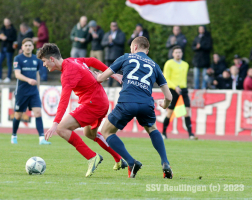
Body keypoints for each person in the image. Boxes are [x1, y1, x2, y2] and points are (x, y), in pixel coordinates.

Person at [37, 43, 127, 177]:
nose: (44, 65)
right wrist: (113, 74)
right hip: (100, 100)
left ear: (52, 59)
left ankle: (92, 157)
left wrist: (55, 123)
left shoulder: (68, 73)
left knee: (62, 129)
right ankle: (118, 158)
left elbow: (64, 100)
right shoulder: (72, 60)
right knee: (90, 134)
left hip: (93, 103)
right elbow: (92, 61)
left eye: (44, 61)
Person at [96, 36, 173, 179]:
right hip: (146, 103)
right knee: (152, 129)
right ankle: (165, 162)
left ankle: (131, 162)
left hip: (127, 101)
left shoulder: (126, 57)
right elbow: (169, 97)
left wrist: (98, 75)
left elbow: (101, 79)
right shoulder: (155, 65)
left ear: (135, 47)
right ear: (147, 51)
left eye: (131, 48)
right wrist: (164, 105)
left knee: (106, 132)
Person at [11, 38, 51, 145]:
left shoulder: (36, 59)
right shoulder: (18, 59)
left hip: (33, 92)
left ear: (33, 47)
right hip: (22, 92)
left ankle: (41, 138)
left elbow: (37, 74)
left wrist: (37, 88)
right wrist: (28, 80)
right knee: (18, 115)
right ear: (22, 47)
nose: (28, 47)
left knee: (38, 113)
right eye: (26, 45)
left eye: (30, 45)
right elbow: (17, 74)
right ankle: (14, 135)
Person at [162, 46, 196, 140]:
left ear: (182, 53)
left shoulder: (185, 64)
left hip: (183, 90)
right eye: (176, 52)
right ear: (173, 54)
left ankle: (190, 134)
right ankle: (164, 133)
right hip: (173, 90)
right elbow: (166, 78)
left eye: (180, 52)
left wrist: (181, 87)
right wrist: (174, 86)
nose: (178, 54)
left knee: (187, 111)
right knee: (170, 112)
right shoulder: (169, 63)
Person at [0, 18, 17, 84]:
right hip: (2, 48)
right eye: (5, 22)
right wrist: (0, 38)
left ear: (10, 22)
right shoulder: (2, 29)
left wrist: (7, 38)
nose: (6, 23)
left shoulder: (13, 30)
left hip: (9, 49)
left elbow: (14, 39)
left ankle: (8, 77)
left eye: (8, 22)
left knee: (9, 63)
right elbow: (0, 38)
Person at [101, 21, 126, 87]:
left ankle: (119, 85)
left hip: (117, 56)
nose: (114, 27)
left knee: (119, 71)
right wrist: (109, 42)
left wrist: (113, 40)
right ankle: (109, 85)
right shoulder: (107, 34)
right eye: (112, 25)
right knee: (108, 71)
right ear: (110, 26)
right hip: (108, 56)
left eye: (115, 25)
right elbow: (102, 43)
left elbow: (122, 42)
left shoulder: (121, 33)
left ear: (117, 26)